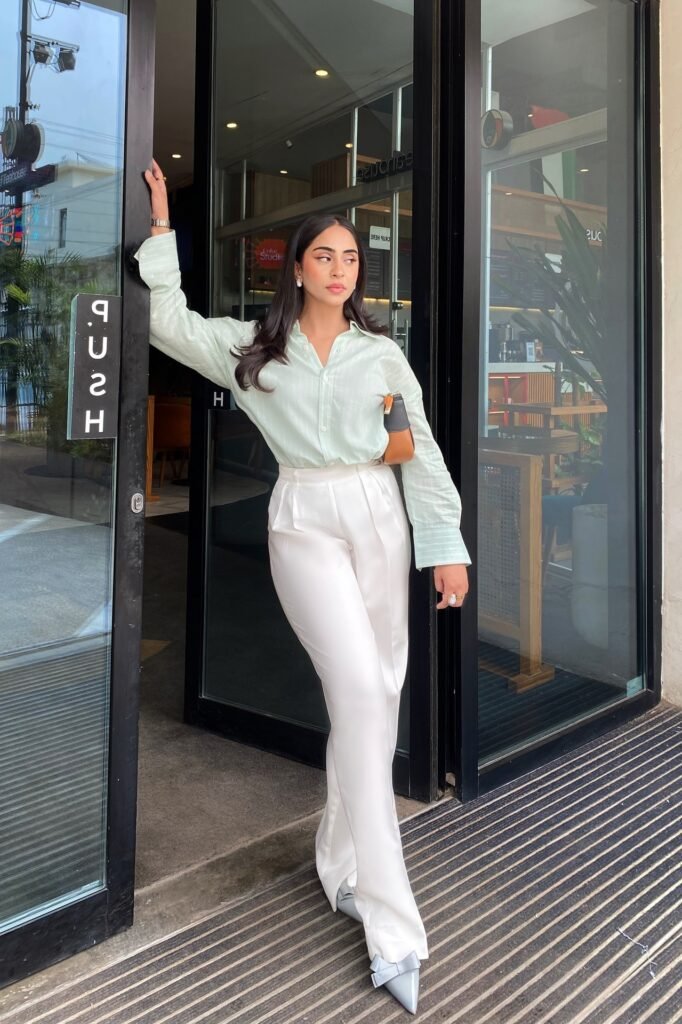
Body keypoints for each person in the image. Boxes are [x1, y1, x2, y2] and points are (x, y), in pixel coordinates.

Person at [138, 158, 471, 1014]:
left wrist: (446, 546)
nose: (339, 268)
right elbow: (166, 321)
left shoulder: (381, 352)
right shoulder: (257, 350)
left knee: (379, 696)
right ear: (296, 268)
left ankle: (340, 863)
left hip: (380, 516)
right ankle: (393, 923)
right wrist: (164, 229)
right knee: (359, 690)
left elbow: (421, 451)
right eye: (324, 255)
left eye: (351, 258)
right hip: (305, 519)